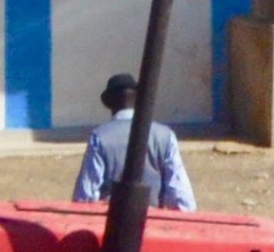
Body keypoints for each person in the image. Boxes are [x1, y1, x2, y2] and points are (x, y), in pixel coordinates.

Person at [72, 73, 196, 212]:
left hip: (113, 222)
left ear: (110, 105)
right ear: (138, 101)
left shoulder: (100, 137)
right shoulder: (165, 135)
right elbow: (182, 198)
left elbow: (85, 197)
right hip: (152, 222)